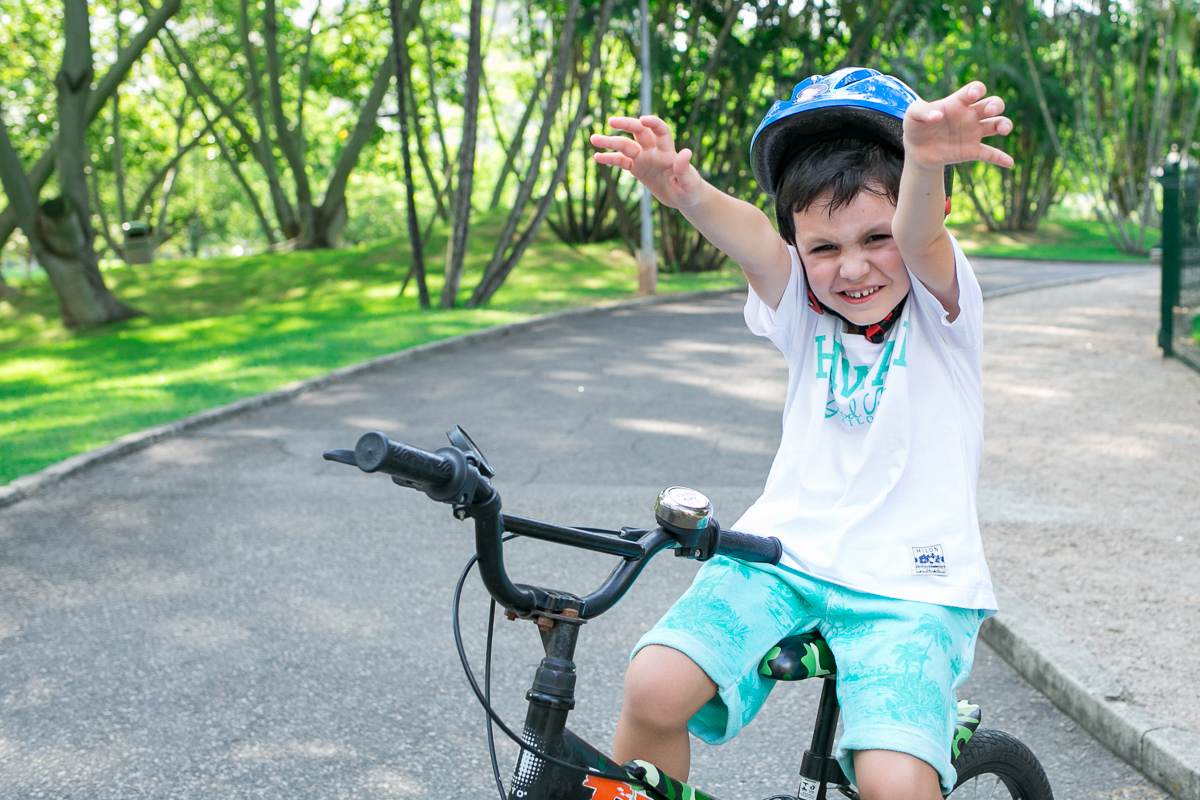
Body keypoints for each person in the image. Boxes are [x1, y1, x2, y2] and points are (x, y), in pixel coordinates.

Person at [589, 68, 1014, 800]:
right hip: (784, 554)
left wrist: (922, 156)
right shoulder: (802, 310)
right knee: (651, 685)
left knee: (893, 782)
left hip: (914, 587)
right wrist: (685, 192)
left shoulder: (944, 315)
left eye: (873, 238)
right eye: (822, 249)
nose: (852, 268)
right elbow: (756, 239)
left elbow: (919, 233)